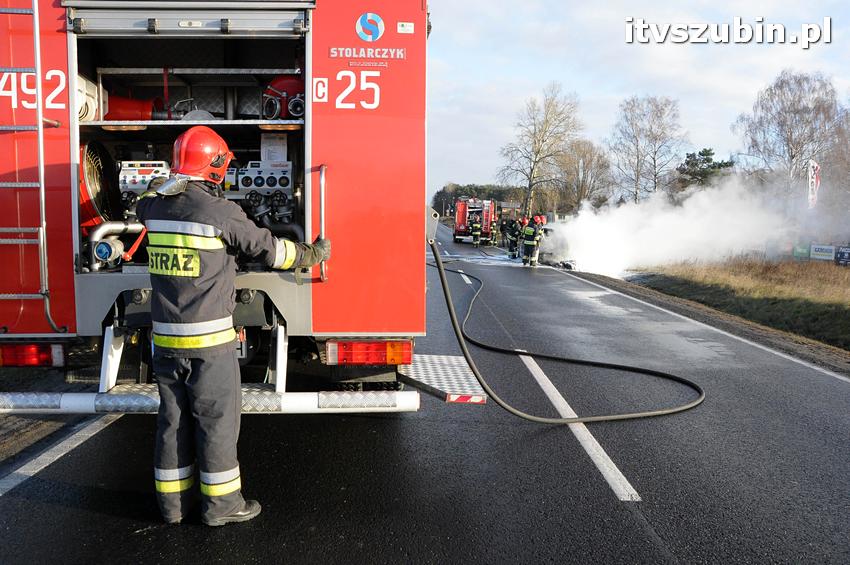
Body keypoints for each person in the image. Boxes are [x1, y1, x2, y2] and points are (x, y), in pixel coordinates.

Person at [136, 126, 330, 527]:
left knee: (173, 421)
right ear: (218, 165)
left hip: (166, 342)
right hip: (209, 344)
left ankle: (172, 508)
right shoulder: (218, 211)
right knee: (216, 421)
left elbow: (143, 204)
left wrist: (163, 183)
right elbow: (271, 251)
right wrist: (311, 253)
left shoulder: (154, 207)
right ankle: (222, 507)